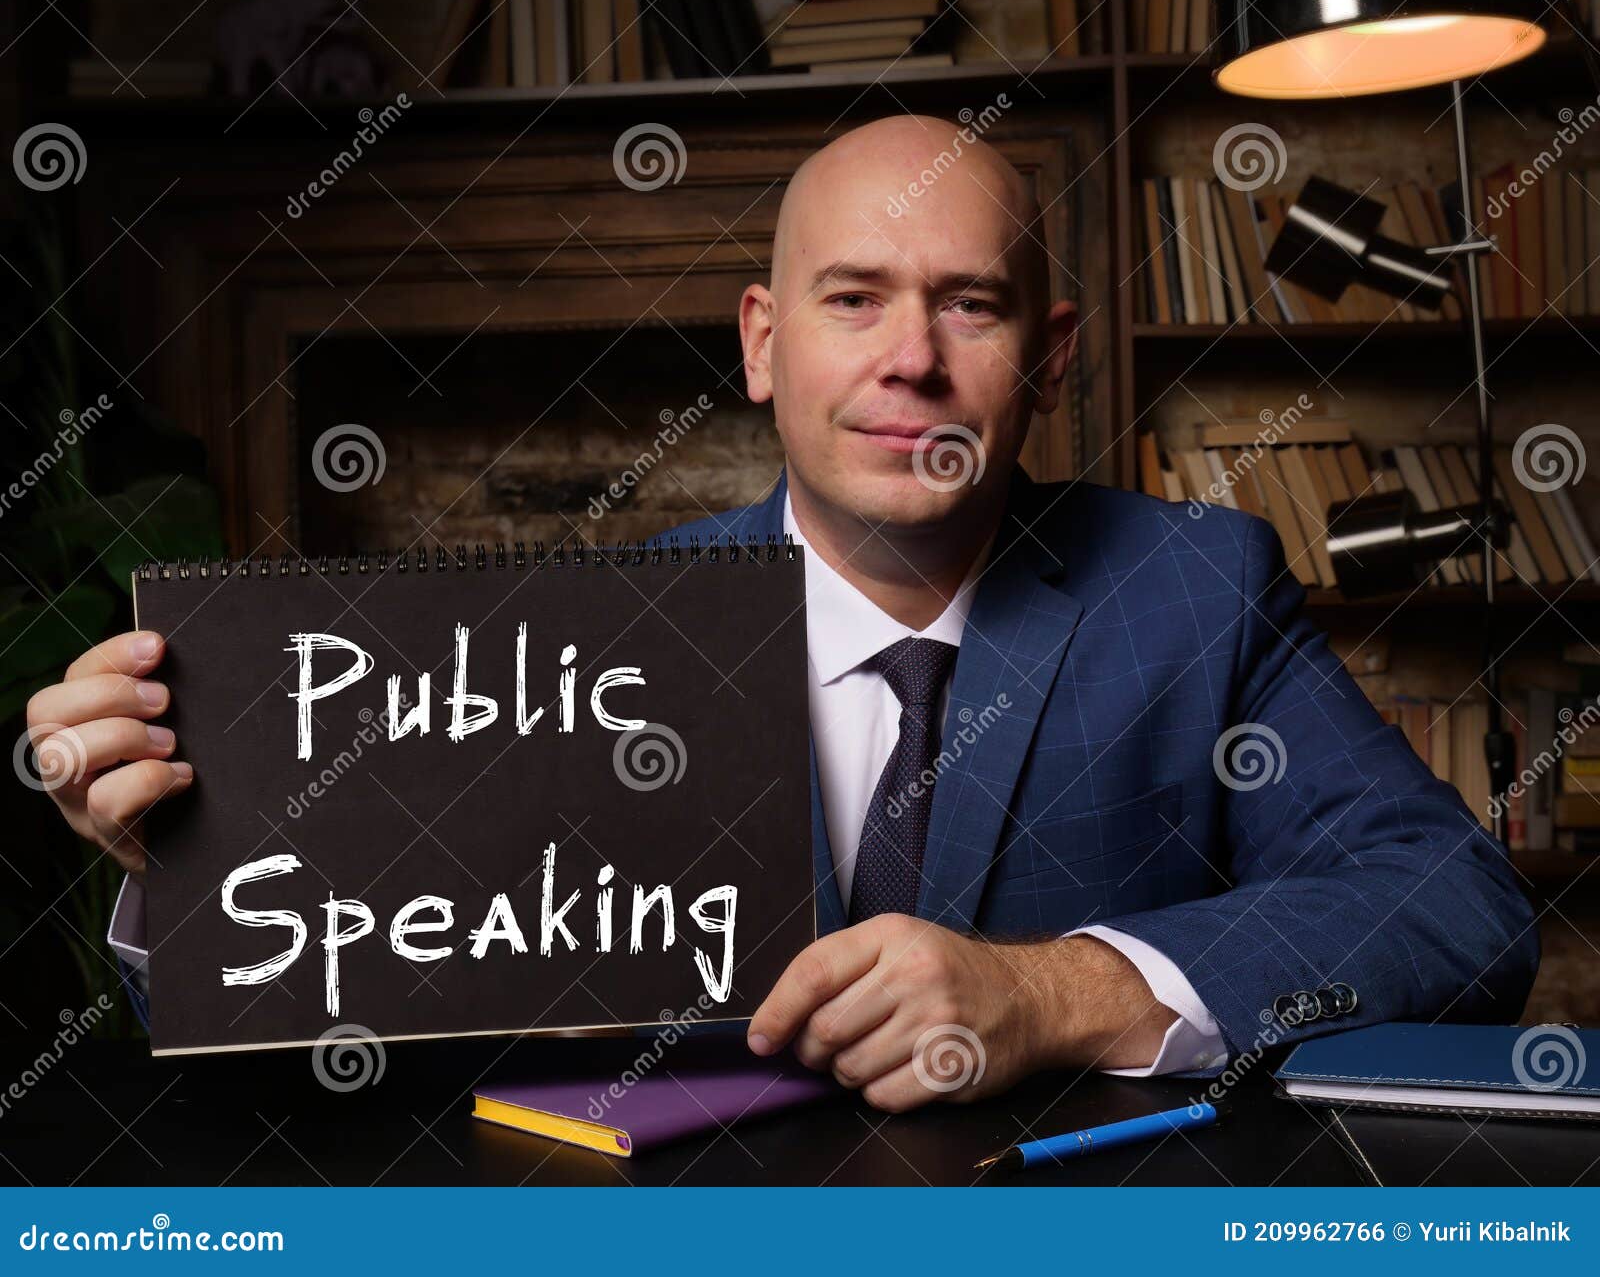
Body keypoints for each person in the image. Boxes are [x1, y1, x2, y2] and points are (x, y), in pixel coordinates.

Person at [28, 115, 1538, 1114]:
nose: (913, 360)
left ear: (1055, 352)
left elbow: (1458, 906)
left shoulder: (1194, 587)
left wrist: (1063, 987)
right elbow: (340, 1021)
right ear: (761, 343)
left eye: (973, 303)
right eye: (852, 298)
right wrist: (186, 855)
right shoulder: (589, 634)